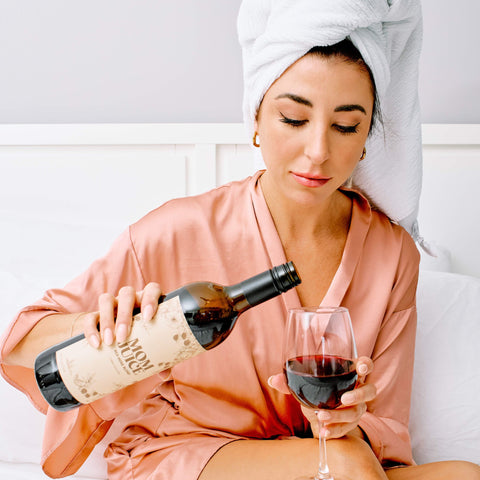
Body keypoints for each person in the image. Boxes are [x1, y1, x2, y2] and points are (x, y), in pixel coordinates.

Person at [1, 2, 479, 480]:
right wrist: (96, 324)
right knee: (348, 463)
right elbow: (19, 347)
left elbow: (383, 431)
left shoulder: (391, 253)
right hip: (189, 456)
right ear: (256, 118)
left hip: (329, 461)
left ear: (369, 135)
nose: (317, 151)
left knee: (463, 473)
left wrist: (348, 420)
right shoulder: (179, 232)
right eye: (293, 119)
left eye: (345, 126)